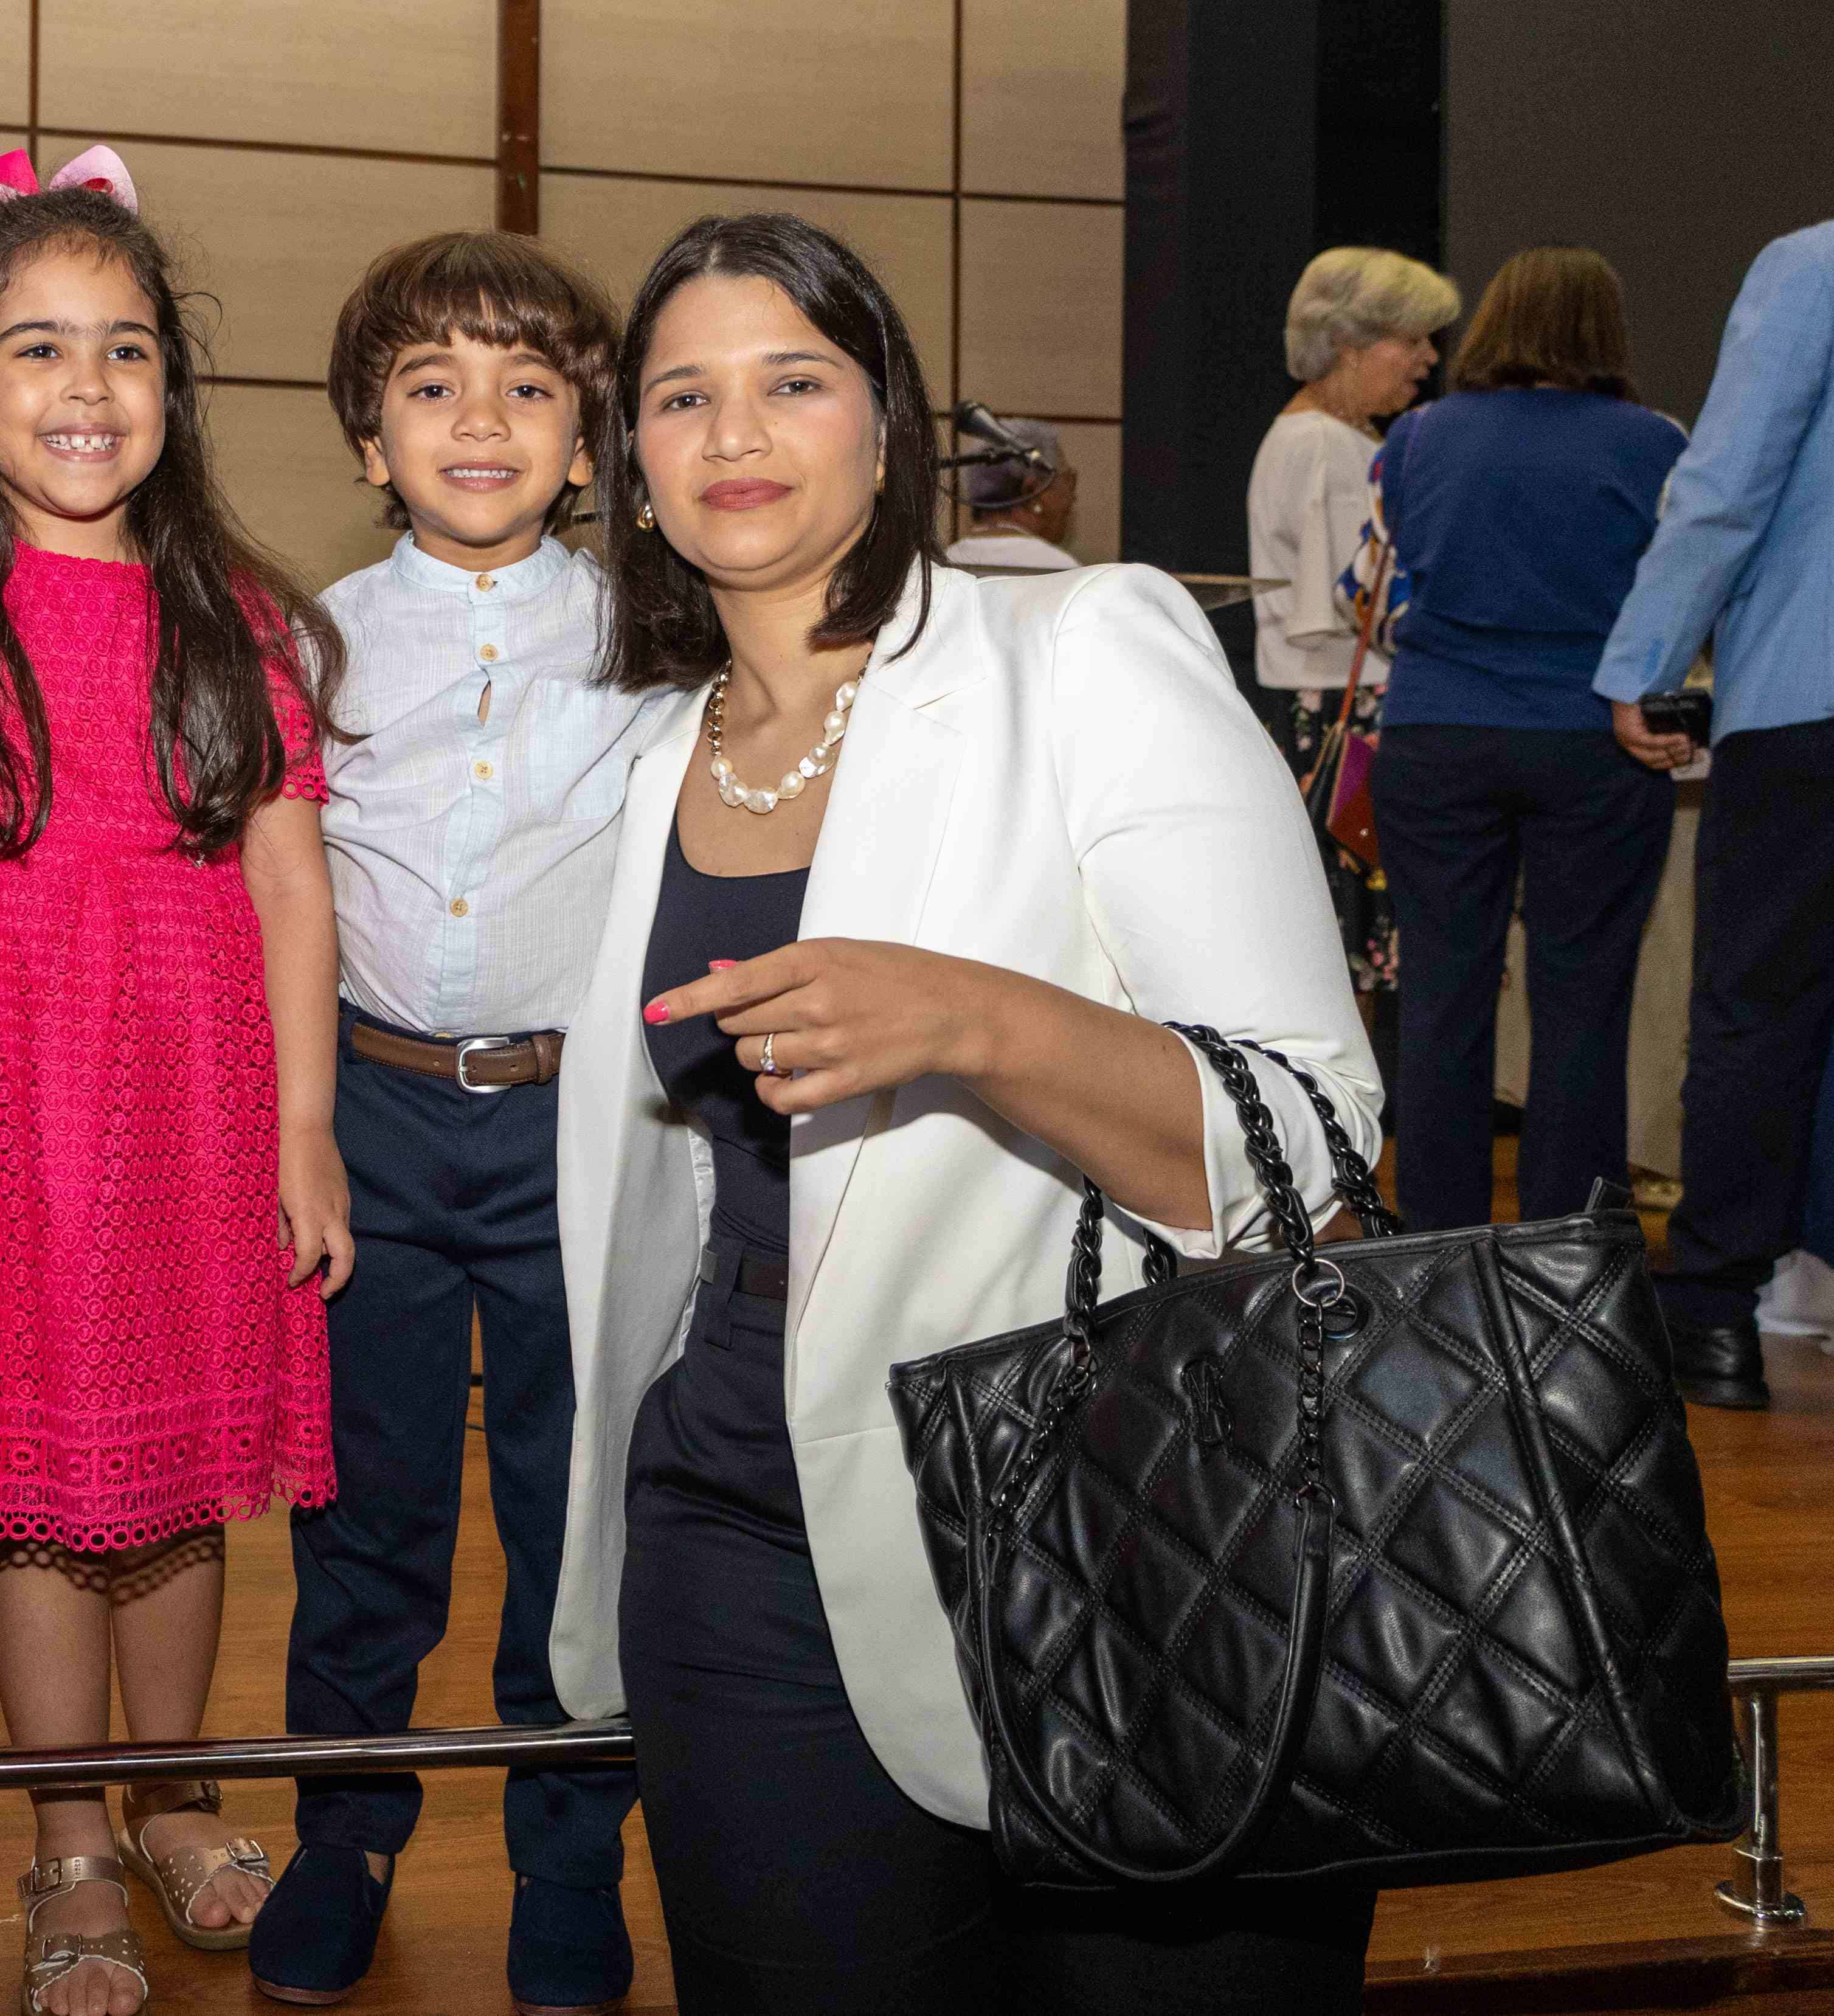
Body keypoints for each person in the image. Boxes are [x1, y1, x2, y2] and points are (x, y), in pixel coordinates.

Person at [548, 212, 1382, 2012]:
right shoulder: (650, 762)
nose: (736, 433)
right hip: (739, 1515)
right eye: (681, 396)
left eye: (792, 381)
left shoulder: (1077, 650)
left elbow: (1308, 1137)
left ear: (884, 423)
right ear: (629, 465)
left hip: (1128, 1499)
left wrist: (977, 1021)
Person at [0, 148, 350, 2016]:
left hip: (194, 1095)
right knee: (34, 1503)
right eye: (39, 348)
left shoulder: (236, 613)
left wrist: (305, 1129)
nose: (88, 390)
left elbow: (290, 877)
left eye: (129, 350)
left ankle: (175, 1789)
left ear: (174, 388)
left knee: (175, 1489)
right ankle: (62, 1832)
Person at [247, 232, 671, 2016]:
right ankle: (342, 1843)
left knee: (584, 1522)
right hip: (387, 1126)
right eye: (429, 387)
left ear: (588, 441)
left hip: (593, 1128)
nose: (477, 420)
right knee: (368, 1522)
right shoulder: (318, 641)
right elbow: (288, 888)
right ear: (367, 438)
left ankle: (569, 1866)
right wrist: (305, 1122)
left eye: (525, 387)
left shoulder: (657, 631)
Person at [1366, 246, 1689, 1236]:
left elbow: (1368, 602)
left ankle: (1438, 1248)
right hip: (1594, 740)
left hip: (1435, 735)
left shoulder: (1415, 437)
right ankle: (1569, 1252)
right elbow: (1680, 596)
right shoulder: (1658, 443)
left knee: (1440, 1000)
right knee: (1583, 1000)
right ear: (1606, 331)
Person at [1594, 218, 1834, 1409]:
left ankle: (1715, 1317)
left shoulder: (1813, 265)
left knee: (1757, 1014)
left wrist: (1644, 658)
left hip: (1809, 699)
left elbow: (1727, 484)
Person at [1247, 246, 1462, 1044]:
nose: (1428, 360)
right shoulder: (1328, 449)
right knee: (1362, 940)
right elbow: (1353, 599)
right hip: (1354, 715)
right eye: (1413, 340)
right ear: (1352, 345)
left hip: (1324, 711)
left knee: (1352, 937)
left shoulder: (1315, 437)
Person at [939, 412, 1078, 572]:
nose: (1072, 498)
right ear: (1033, 491)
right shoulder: (1062, 570)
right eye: (1068, 481)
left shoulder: (941, 564)